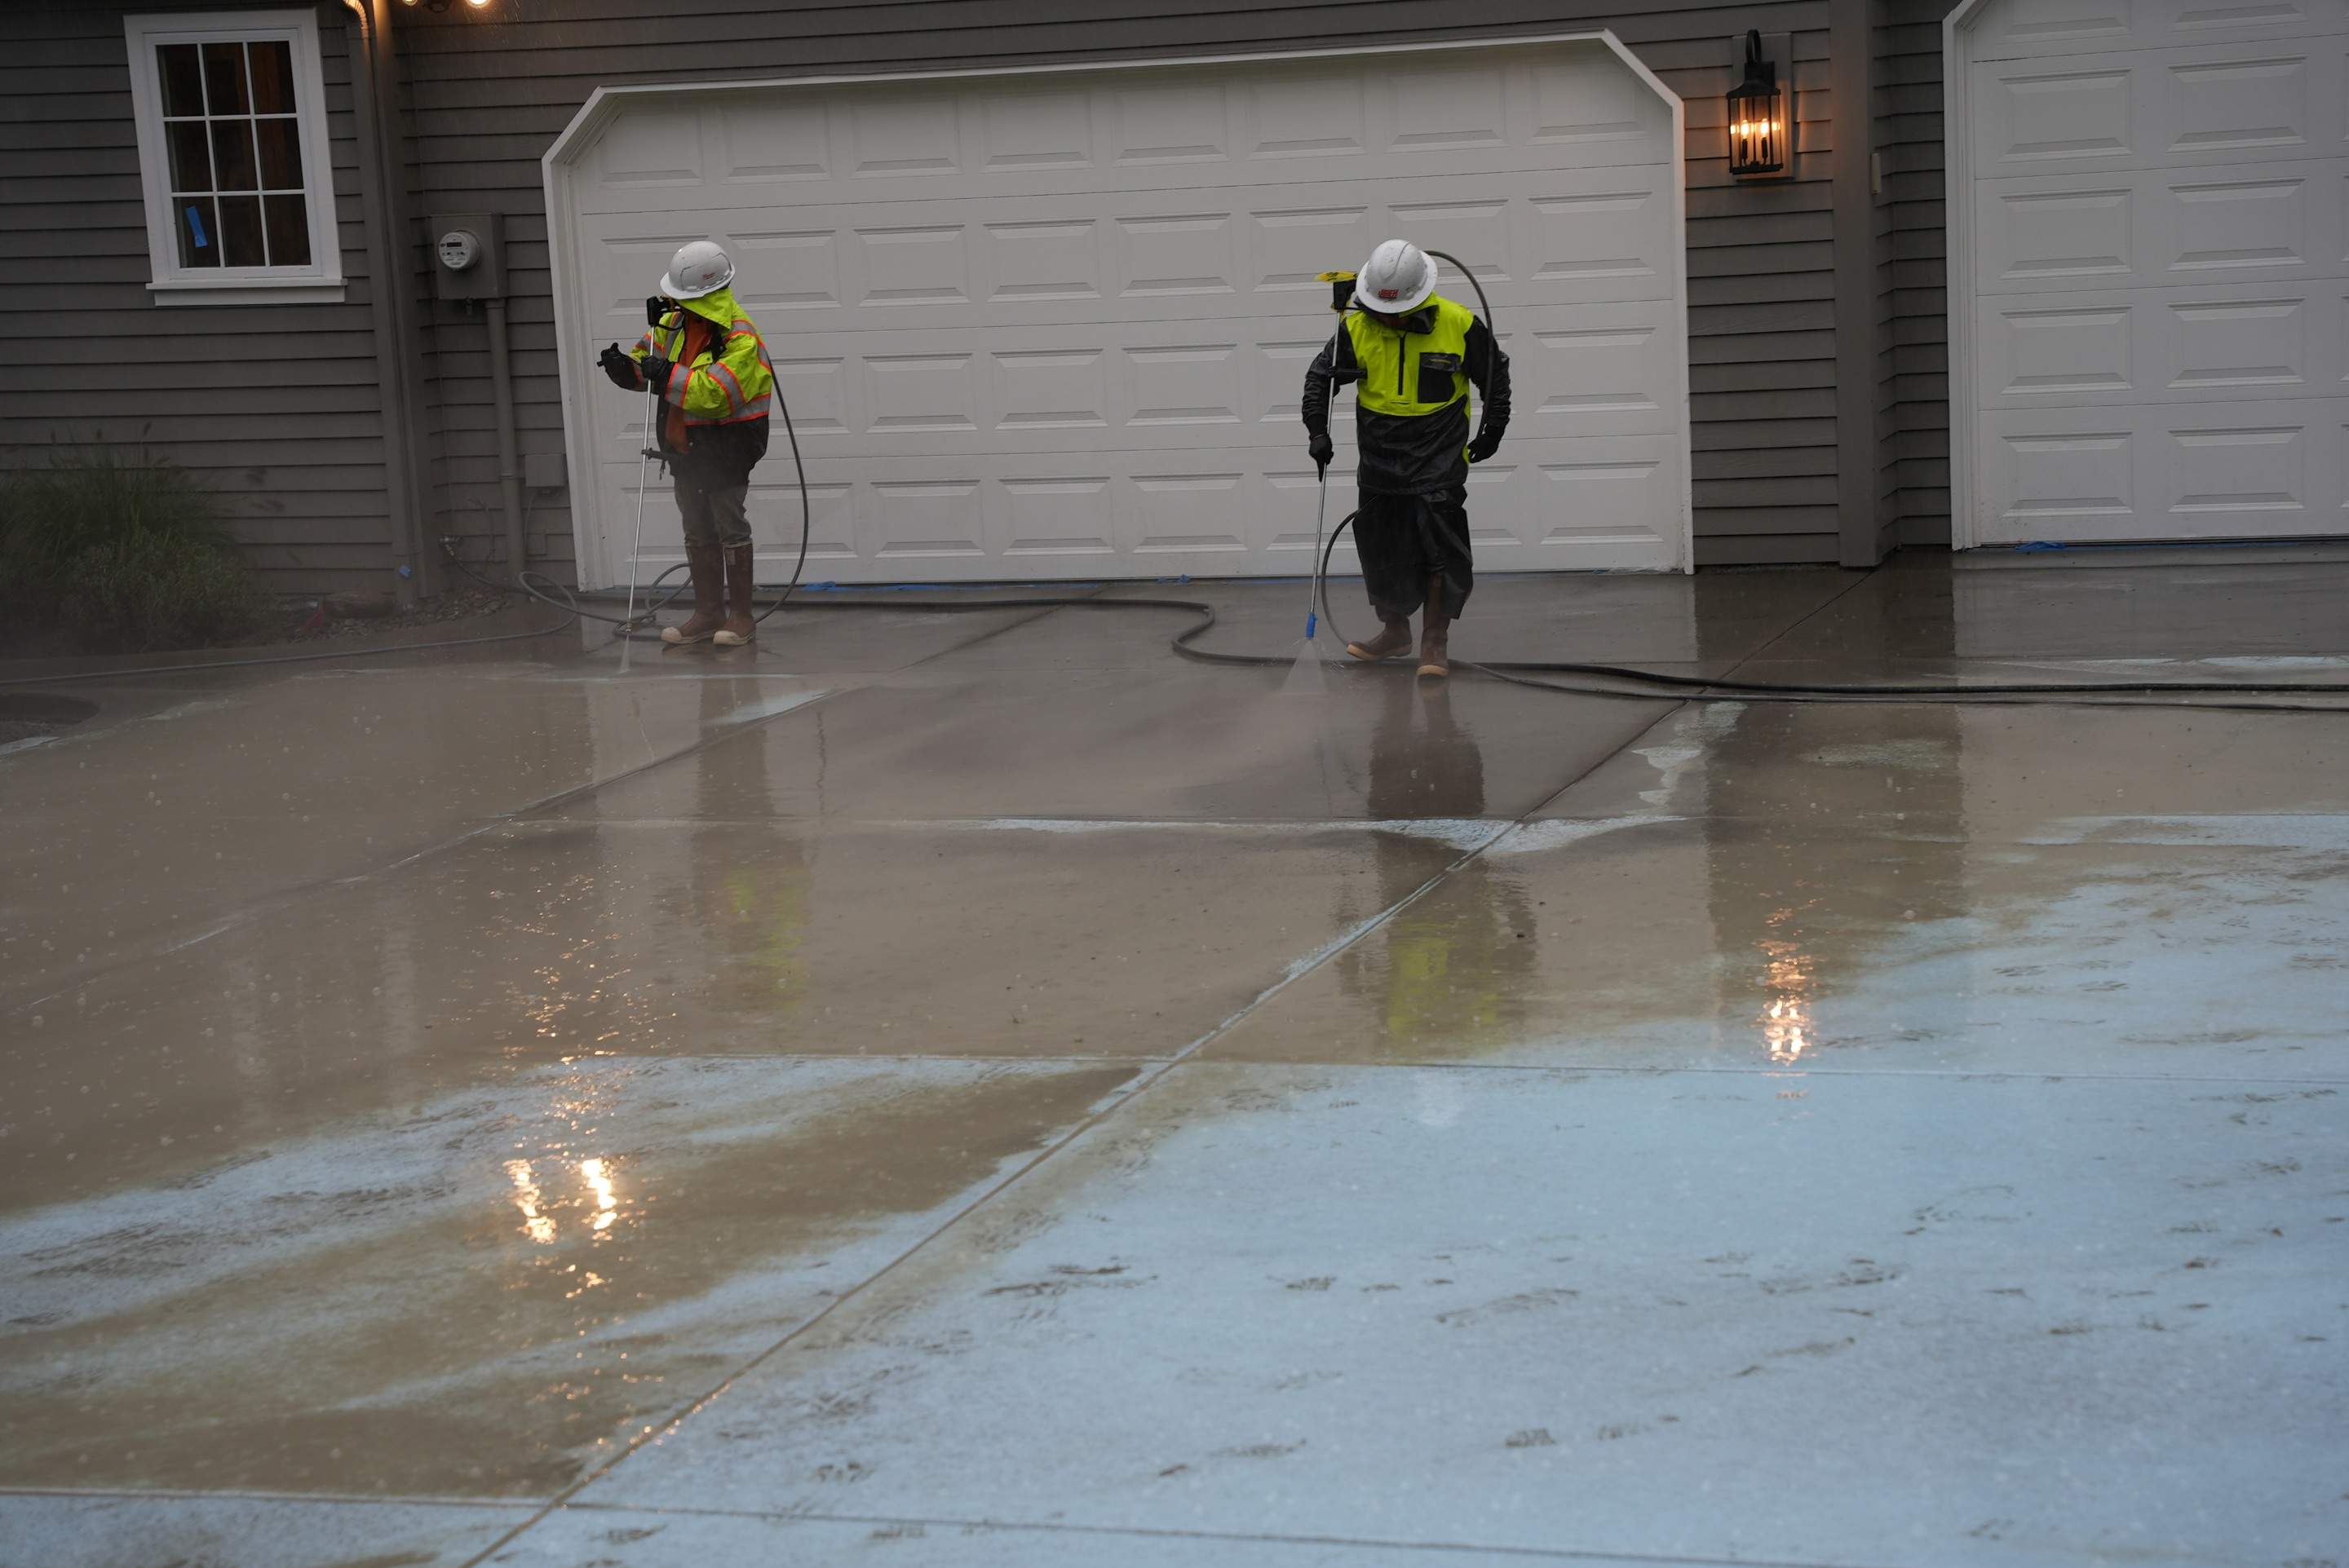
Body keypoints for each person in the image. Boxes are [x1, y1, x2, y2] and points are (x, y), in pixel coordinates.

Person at [1301, 239, 1510, 678]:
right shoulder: (1356, 327)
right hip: (1379, 459)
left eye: (1393, 310)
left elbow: (1496, 375)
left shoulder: (1458, 324)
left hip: (1439, 455)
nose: (1384, 317)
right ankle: (1395, 632)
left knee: (1442, 552)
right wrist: (1317, 432)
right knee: (1382, 550)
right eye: (1377, 308)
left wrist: (1492, 429)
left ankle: (1435, 641)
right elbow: (1319, 379)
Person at [598, 241, 776, 647]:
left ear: (708, 295)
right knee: (697, 529)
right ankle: (709, 615)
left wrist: (665, 374)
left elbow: (716, 395)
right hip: (684, 449)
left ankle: (741, 618)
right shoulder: (672, 326)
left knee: (730, 526)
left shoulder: (740, 338)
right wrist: (625, 369)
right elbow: (648, 363)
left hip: (726, 448)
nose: (674, 304)